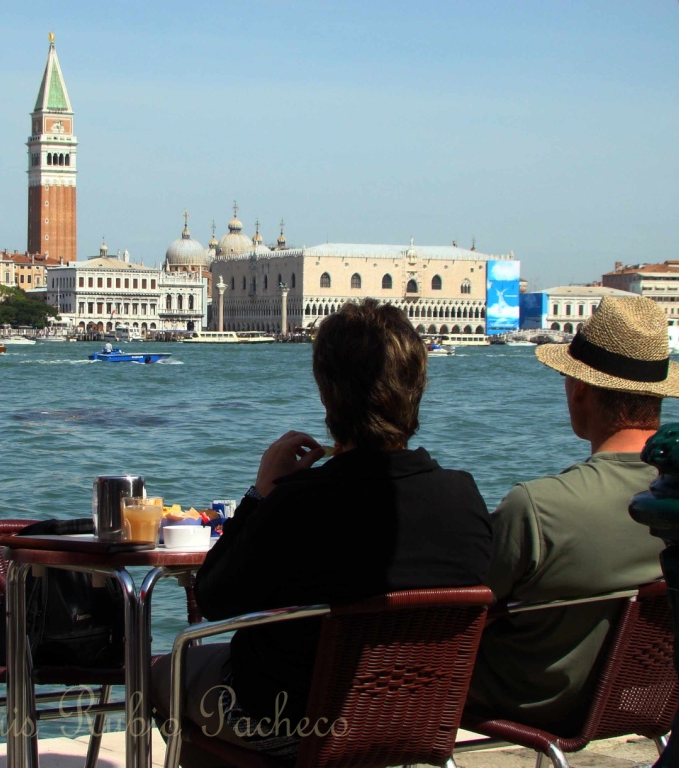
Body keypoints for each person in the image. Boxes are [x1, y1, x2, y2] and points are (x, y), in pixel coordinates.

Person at [152, 298, 493, 766]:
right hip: (414, 715)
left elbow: (213, 598)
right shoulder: (464, 497)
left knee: (166, 672)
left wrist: (260, 494)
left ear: (327, 393)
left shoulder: (302, 501)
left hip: (293, 723)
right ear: (417, 387)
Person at [464, 295, 679, 734]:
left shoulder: (538, 506)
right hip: (639, 699)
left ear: (581, 390)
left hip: (527, 701)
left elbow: (465, 606)